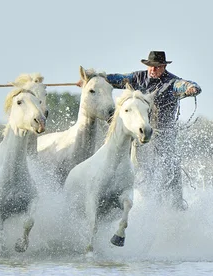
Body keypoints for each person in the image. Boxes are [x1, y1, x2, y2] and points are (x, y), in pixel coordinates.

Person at [78, 51, 202, 210]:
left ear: (163, 67)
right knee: (139, 172)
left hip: (164, 138)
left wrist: (191, 88)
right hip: (141, 137)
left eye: (156, 67)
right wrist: (90, 80)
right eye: (150, 66)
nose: (152, 69)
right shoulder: (137, 78)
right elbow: (113, 79)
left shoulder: (172, 83)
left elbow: (185, 85)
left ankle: (177, 208)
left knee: (171, 172)